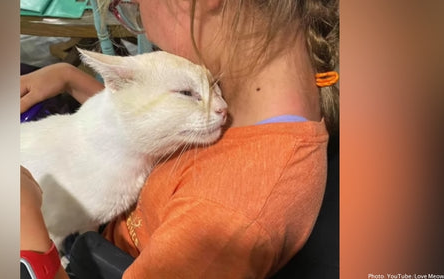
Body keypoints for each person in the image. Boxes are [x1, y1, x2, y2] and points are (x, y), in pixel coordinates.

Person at [20, 0, 339, 278]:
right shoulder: (237, 88)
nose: (142, 25)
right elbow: (156, 117)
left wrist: (31, 241)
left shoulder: (226, 216)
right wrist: (67, 77)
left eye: (132, 6)